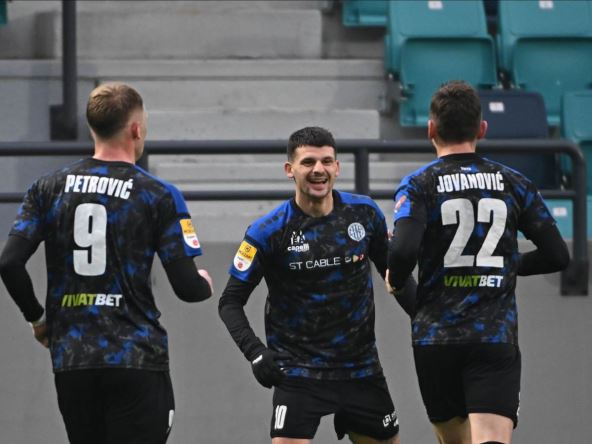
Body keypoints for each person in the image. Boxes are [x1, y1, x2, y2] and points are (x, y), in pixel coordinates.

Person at [0, 83, 213, 444]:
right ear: (136, 129)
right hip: (135, 358)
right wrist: (204, 282)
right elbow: (188, 288)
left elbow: (9, 263)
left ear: (92, 128)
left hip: (73, 359)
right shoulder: (158, 194)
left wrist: (37, 319)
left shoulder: (47, 188)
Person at [386, 81, 570, 444]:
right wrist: (508, 263)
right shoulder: (514, 182)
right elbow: (557, 255)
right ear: (482, 129)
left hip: (436, 340)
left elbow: (403, 252)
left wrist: (396, 278)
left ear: (431, 129)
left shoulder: (419, 184)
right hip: (492, 335)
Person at [218, 126, 415, 444]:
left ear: (337, 167)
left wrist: (424, 318)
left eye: (326, 161)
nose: (318, 170)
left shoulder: (364, 214)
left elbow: (396, 276)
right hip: (298, 373)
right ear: (289, 170)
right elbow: (229, 302)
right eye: (308, 162)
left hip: (361, 370)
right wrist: (255, 353)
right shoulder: (268, 231)